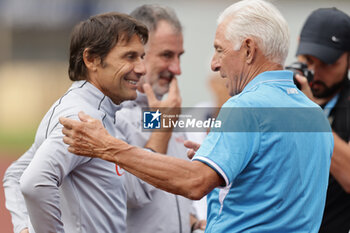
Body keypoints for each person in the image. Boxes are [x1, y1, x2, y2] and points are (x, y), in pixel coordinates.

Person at [59, 0, 334, 232]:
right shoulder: (314, 115)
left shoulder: (242, 108)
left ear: (249, 50)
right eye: (167, 55)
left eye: (219, 50)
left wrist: (107, 146)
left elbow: (192, 182)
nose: (213, 65)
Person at [2, 12, 149, 233]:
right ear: (91, 59)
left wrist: (23, 226)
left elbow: (15, 174)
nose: (142, 68)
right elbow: (34, 182)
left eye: (142, 57)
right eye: (129, 56)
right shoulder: (81, 116)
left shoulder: (101, 109)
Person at [116, 5, 204, 233]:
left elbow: (173, 193)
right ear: (136, 52)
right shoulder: (112, 113)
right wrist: (163, 127)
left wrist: (193, 222)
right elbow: (134, 194)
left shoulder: (167, 108)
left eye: (179, 56)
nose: (177, 69)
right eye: (167, 55)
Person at [294, 7, 350, 233]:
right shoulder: (284, 91)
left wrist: (311, 115)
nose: (314, 72)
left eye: (327, 63)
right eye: (307, 60)